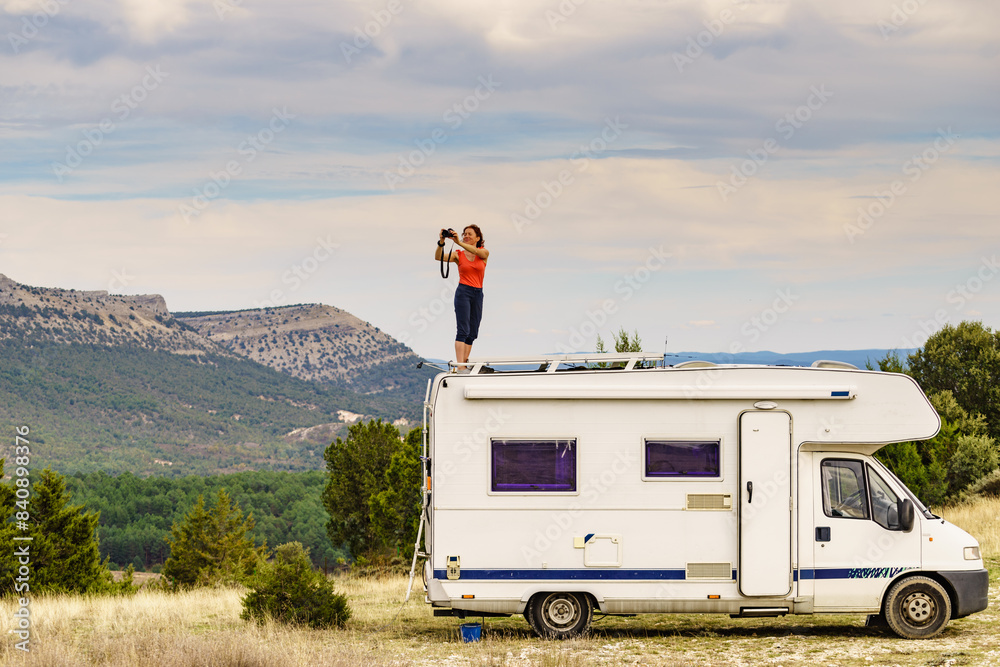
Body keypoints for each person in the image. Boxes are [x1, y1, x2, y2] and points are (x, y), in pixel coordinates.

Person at [435, 225, 489, 368]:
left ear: (478, 238)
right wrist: (441, 242)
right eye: (464, 234)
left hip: (478, 293)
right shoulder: (458, 254)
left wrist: (459, 242)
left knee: (473, 332)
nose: (466, 236)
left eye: (470, 234)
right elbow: (437, 257)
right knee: (463, 330)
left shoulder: (483, 253)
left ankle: (464, 363)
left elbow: (478, 252)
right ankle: (461, 366)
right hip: (464, 292)